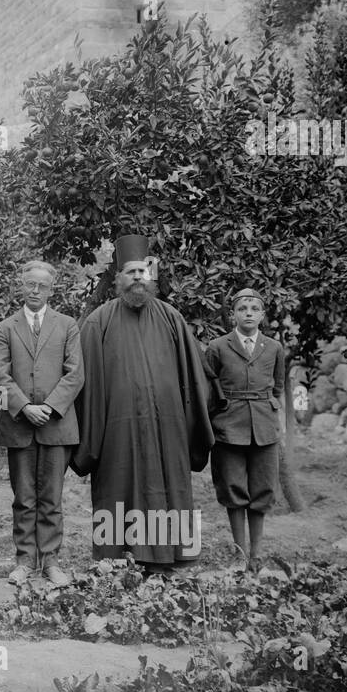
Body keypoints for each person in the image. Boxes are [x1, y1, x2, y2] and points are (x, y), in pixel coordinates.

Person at [71, 234, 214, 568]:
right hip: (117, 430)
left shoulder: (172, 317)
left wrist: (192, 420)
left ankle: (175, 556)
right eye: (130, 272)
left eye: (142, 271)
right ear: (118, 279)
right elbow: (84, 382)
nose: (137, 277)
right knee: (119, 487)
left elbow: (194, 375)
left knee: (171, 487)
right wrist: (92, 432)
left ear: (151, 275)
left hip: (170, 428)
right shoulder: (98, 322)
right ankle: (116, 560)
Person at [0, 260, 84, 586]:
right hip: (19, 425)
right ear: (21, 285)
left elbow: (75, 375)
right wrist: (24, 408)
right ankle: (23, 561)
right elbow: (0, 376)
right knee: (24, 497)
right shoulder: (5, 328)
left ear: (51, 289)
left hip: (56, 426)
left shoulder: (68, 325)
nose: (35, 291)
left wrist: (48, 407)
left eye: (42, 286)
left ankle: (51, 562)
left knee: (51, 498)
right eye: (30, 284)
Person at [202, 288, 285, 570]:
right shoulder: (218, 347)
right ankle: (239, 553)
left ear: (262, 315)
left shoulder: (273, 348)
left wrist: (271, 408)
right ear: (233, 315)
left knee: (262, 489)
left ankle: (257, 554)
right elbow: (209, 386)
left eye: (253, 309)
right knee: (233, 488)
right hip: (229, 425)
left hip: (264, 425)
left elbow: (278, 386)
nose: (248, 313)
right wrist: (217, 419)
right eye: (242, 309)